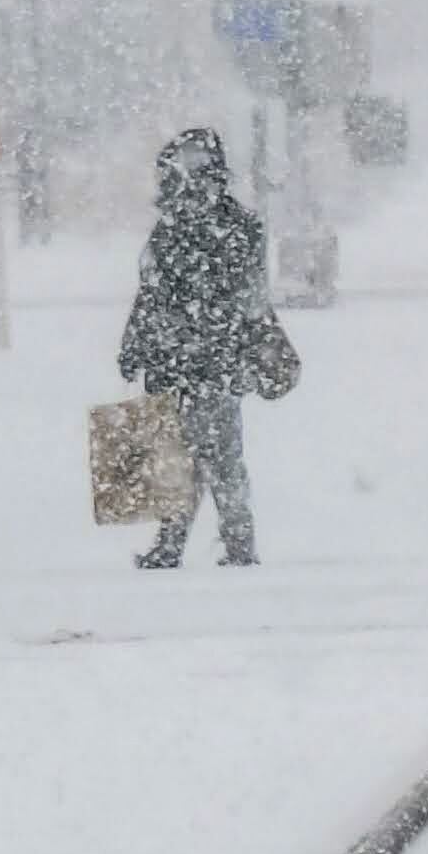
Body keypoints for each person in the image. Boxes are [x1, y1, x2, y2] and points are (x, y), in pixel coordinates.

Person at [118, 127, 281, 569]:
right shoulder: (228, 227)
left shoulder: (188, 229)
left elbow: (153, 293)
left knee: (198, 455)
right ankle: (227, 541)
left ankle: (206, 543)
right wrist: (137, 343)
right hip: (203, 360)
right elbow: (154, 293)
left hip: (197, 359)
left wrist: (140, 343)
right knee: (204, 455)